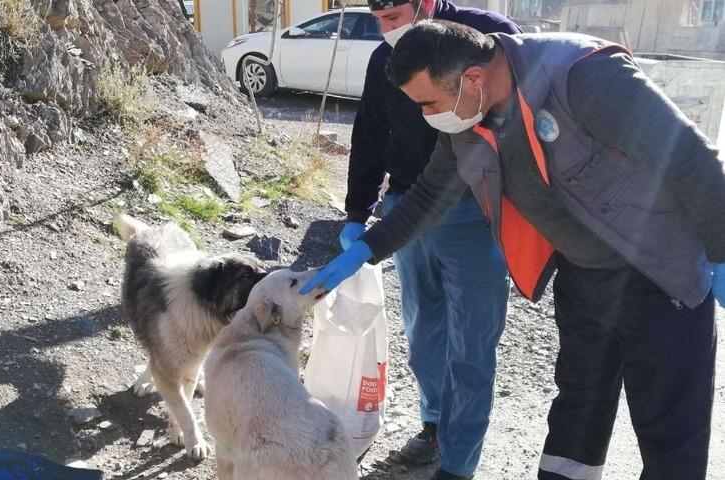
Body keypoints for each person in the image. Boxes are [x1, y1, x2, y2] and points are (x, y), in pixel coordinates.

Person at [303, 21, 725, 480]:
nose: (427, 116)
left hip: (660, 278)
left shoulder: (584, 76)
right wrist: (365, 250)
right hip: (584, 277)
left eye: (428, 103)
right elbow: (428, 196)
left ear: (474, 79)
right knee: (577, 412)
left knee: (669, 434)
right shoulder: (467, 118)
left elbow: (692, 160)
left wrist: (722, 254)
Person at [344, 1, 518, 478]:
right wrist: (357, 213)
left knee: (472, 345)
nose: (386, 30)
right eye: (378, 20)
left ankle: (459, 464)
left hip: (477, 214)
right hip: (407, 211)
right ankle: (434, 427)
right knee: (423, 332)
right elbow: (370, 134)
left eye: (394, 17)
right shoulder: (387, 58)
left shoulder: (490, 38)